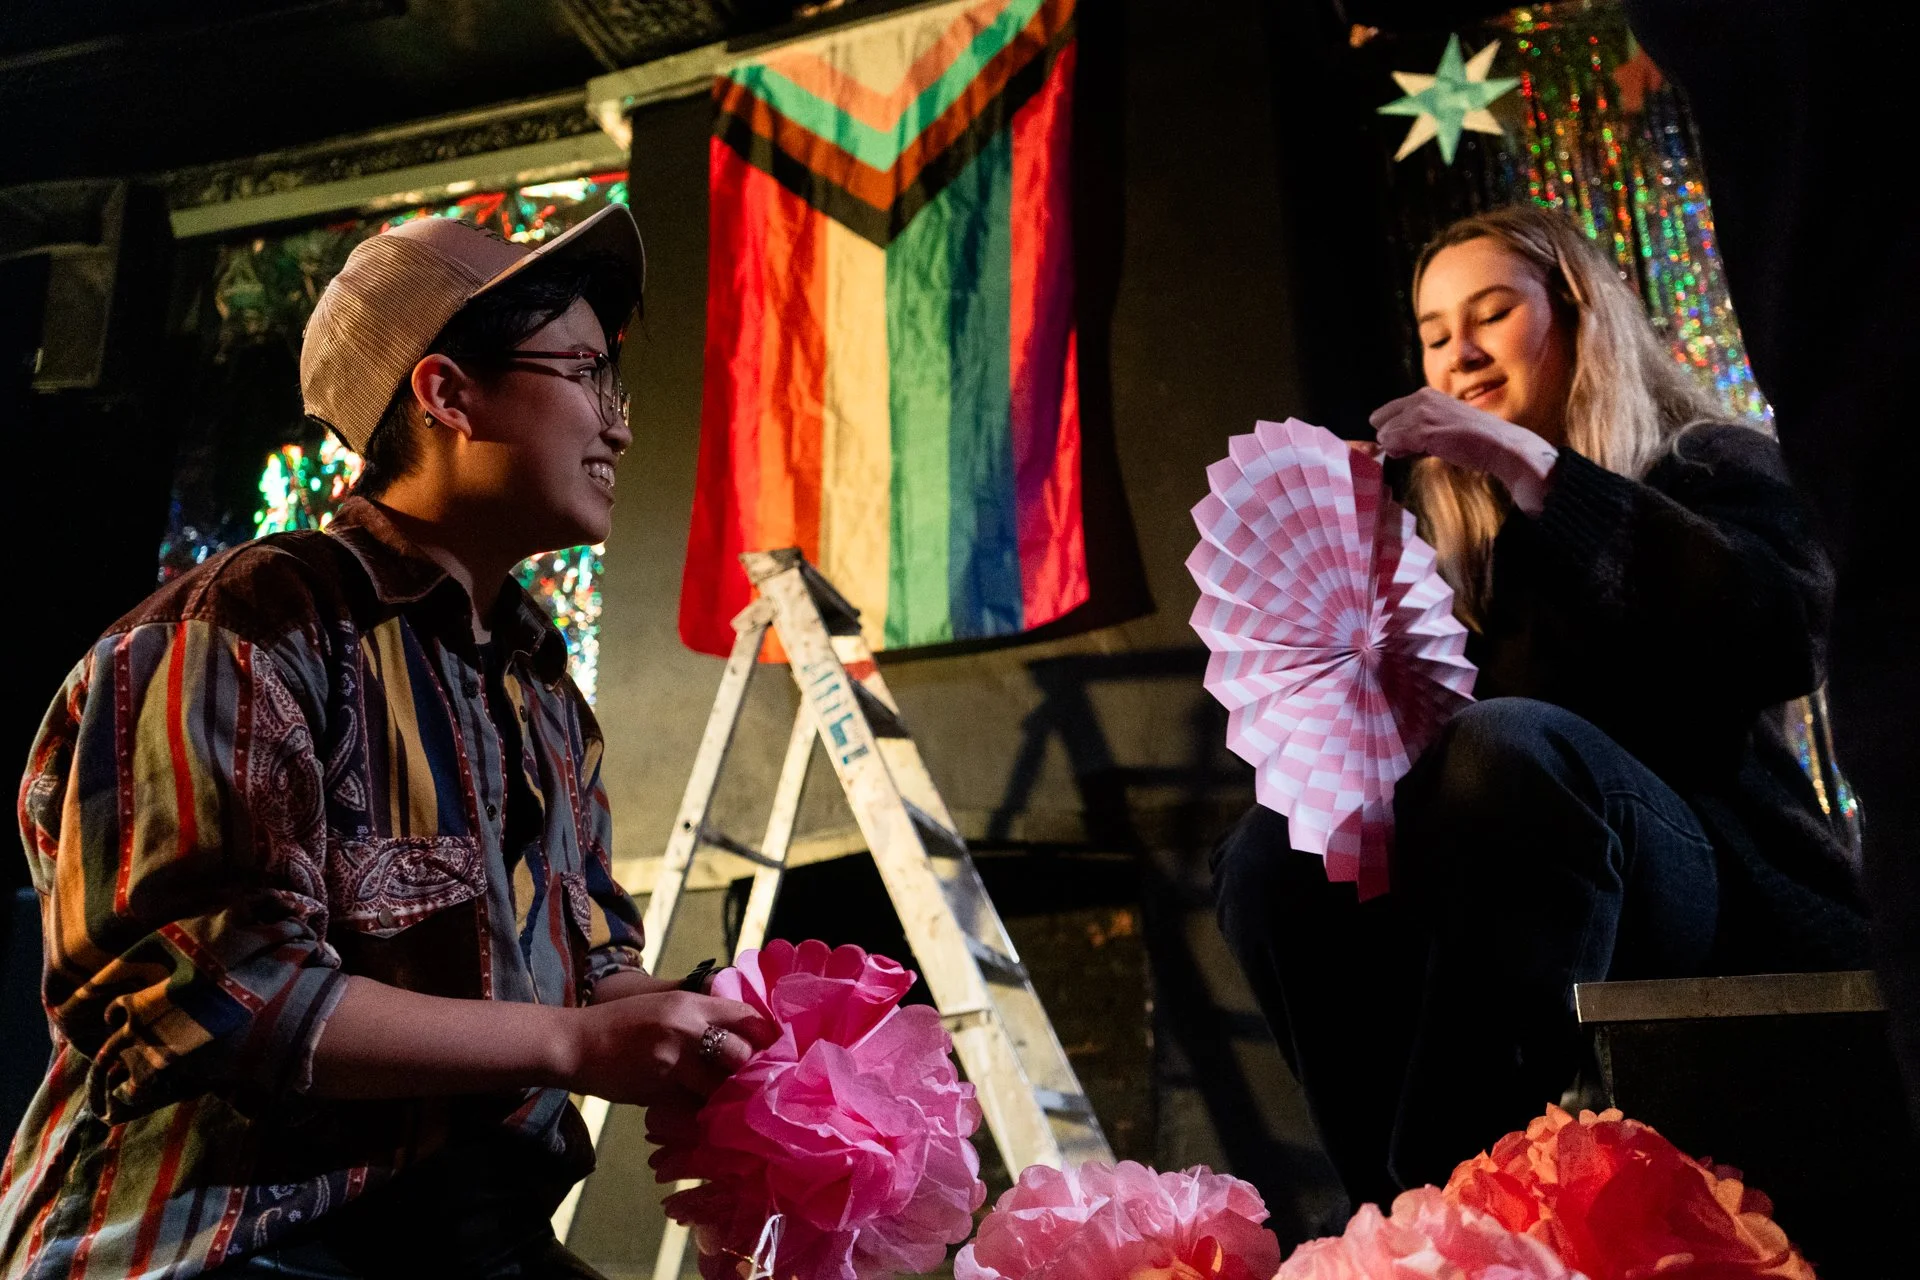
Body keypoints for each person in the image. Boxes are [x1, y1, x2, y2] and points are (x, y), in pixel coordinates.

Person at [0, 208, 775, 1279]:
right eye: (585, 372)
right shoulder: (243, 627)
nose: (619, 424)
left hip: (465, 1234)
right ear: (447, 392)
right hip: (235, 1239)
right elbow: (212, 992)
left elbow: (585, 973)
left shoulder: (542, 685)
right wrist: (578, 1046)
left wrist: (721, 1020)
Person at [1210, 204, 1869, 1210]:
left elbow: (1785, 633)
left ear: (1578, 316)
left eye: (1490, 315)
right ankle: (1401, 1215)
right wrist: (1353, 575)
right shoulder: (1453, 548)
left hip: (1717, 885)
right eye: (1434, 335)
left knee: (1507, 747)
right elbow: (1402, 763)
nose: (1460, 352)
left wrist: (1540, 474)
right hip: (1514, 892)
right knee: (1274, 848)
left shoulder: (1707, 460)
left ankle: (1466, 1187)